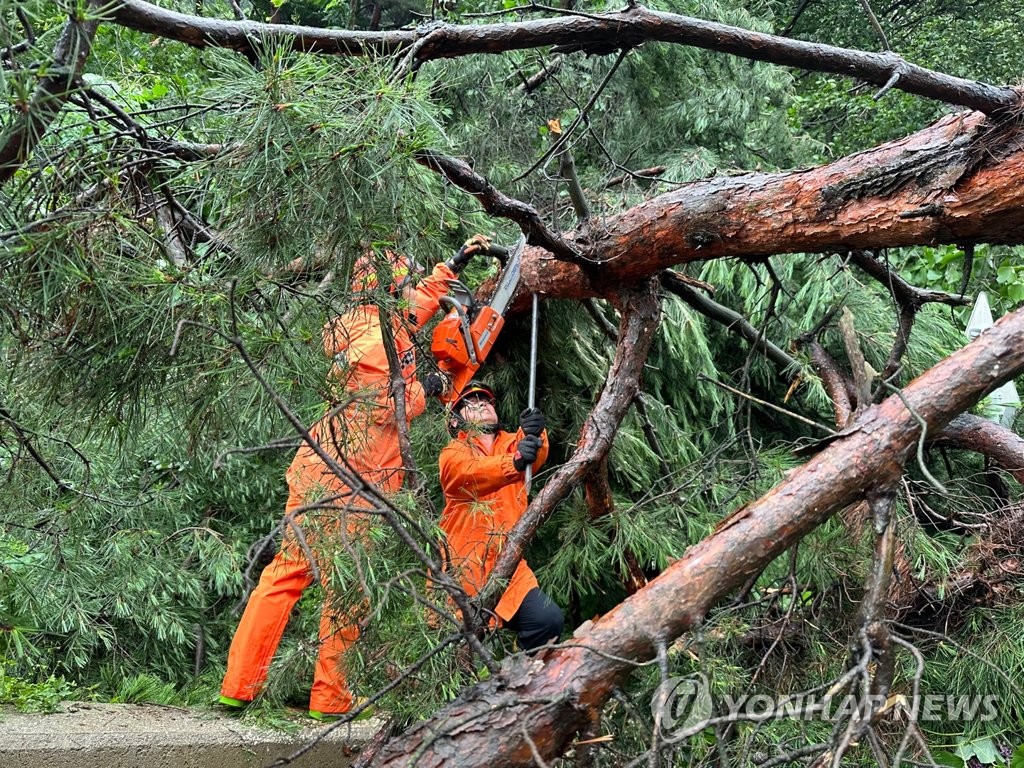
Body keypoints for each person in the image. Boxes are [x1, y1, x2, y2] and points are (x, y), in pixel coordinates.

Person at [220, 236, 490, 719]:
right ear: (386, 288)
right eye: (403, 282)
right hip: (350, 479)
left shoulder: (369, 321)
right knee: (344, 587)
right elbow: (387, 405)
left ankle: (239, 687)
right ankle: (330, 699)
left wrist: (451, 266)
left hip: (324, 470)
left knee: (286, 575)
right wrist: (430, 387)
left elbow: (413, 307)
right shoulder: (371, 342)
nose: (410, 292)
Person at [438, 382, 564, 652]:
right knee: (456, 656)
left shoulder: (511, 443)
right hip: (463, 574)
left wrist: (535, 430)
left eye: (486, 400)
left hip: (509, 569)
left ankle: (522, 680)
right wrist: (515, 462)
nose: (481, 403)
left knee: (547, 621)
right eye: (470, 403)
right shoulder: (453, 453)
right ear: (456, 420)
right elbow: (469, 473)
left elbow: (534, 452)